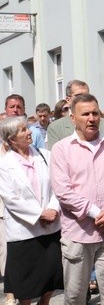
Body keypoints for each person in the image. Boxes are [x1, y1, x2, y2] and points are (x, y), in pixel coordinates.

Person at [50, 93, 104, 303]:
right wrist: (96, 213)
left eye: (95, 113)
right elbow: (63, 191)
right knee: (76, 296)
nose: (91, 118)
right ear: (73, 118)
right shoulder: (61, 149)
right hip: (78, 234)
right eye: (85, 114)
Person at [0, 116, 62, 304]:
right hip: (24, 232)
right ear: (11, 139)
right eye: (23, 130)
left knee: (51, 280)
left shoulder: (45, 155)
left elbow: (58, 186)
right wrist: (39, 214)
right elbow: (11, 198)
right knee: (26, 286)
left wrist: (52, 209)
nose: (29, 132)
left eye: (27, 128)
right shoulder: (4, 164)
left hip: (50, 228)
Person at [47, 80, 104, 149]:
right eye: (79, 96)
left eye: (87, 95)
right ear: (68, 99)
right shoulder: (56, 128)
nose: (84, 99)